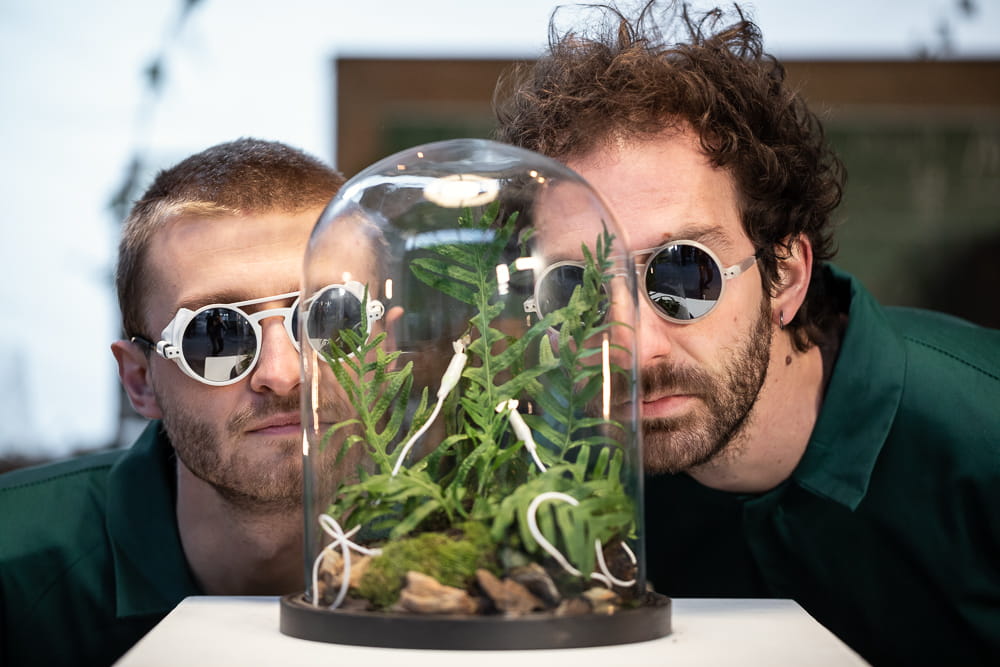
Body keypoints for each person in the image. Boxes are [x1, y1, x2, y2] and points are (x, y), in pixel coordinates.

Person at [493, 2, 1000, 664]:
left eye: (684, 274)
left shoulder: (980, 440)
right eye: (577, 290)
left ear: (784, 275)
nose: (633, 347)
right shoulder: (569, 473)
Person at [0, 138, 359, 666]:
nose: (282, 374)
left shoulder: (476, 537)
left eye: (328, 317)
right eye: (216, 334)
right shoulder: (14, 566)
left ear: (388, 341)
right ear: (141, 380)